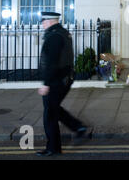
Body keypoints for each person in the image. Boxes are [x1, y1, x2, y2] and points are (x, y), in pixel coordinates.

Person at [36, 11, 88, 157]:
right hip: (65, 78)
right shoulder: (63, 33)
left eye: (44, 21)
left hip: (56, 80)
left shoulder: (54, 36)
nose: (42, 24)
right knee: (54, 108)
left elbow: (52, 63)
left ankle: (53, 148)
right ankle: (78, 127)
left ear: (51, 21)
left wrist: (46, 84)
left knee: (49, 115)